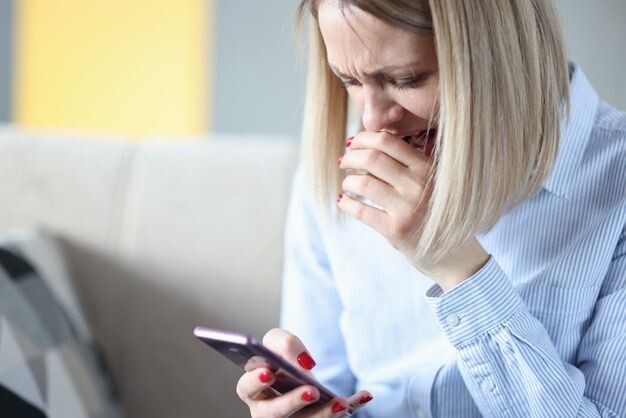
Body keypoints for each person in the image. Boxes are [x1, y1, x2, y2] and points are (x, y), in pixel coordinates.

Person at [236, 0, 626, 416]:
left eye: (405, 79)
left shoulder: (614, 182)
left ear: (500, 52)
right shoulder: (336, 174)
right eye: (349, 79)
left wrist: (457, 266)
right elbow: (332, 389)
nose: (372, 121)